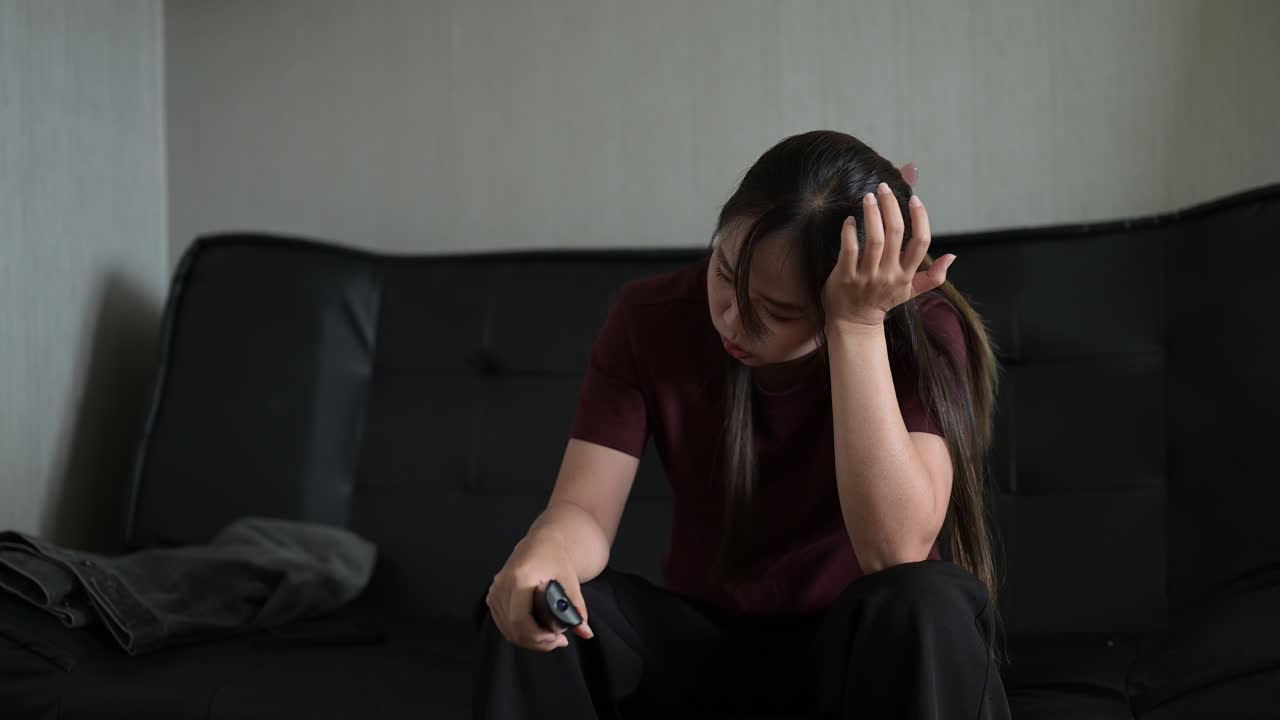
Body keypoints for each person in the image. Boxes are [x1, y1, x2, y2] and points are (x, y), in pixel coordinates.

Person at [472, 130, 1011, 719]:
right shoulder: (649, 318)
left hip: (857, 661)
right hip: (704, 650)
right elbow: (584, 512)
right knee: (537, 611)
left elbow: (897, 551)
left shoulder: (918, 331)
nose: (732, 320)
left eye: (777, 312)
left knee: (927, 601)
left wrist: (856, 329)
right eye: (724, 273)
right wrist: (544, 551)